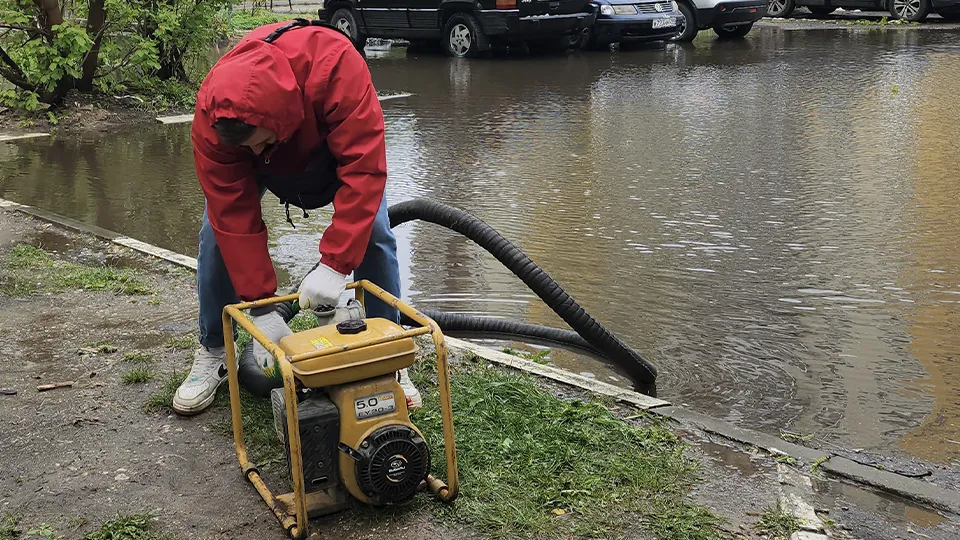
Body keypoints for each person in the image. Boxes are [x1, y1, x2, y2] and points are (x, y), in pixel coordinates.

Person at [172, 19, 420, 416]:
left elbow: (363, 169)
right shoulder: (212, 117)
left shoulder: (338, 65)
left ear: (280, 118)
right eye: (247, 148)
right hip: (279, 156)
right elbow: (231, 210)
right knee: (215, 236)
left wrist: (336, 264)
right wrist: (261, 308)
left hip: (326, 151)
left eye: (261, 142)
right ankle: (215, 351)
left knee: (373, 232)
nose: (254, 153)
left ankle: (386, 350)